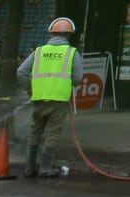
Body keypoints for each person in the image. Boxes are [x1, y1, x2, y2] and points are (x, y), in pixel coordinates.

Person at [16, 17, 84, 178]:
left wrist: (30, 89)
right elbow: (78, 78)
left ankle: (30, 168)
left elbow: (21, 72)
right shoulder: (72, 52)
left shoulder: (39, 51)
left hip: (39, 98)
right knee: (53, 132)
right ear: (69, 35)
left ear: (51, 34)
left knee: (35, 131)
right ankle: (46, 167)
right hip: (59, 98)